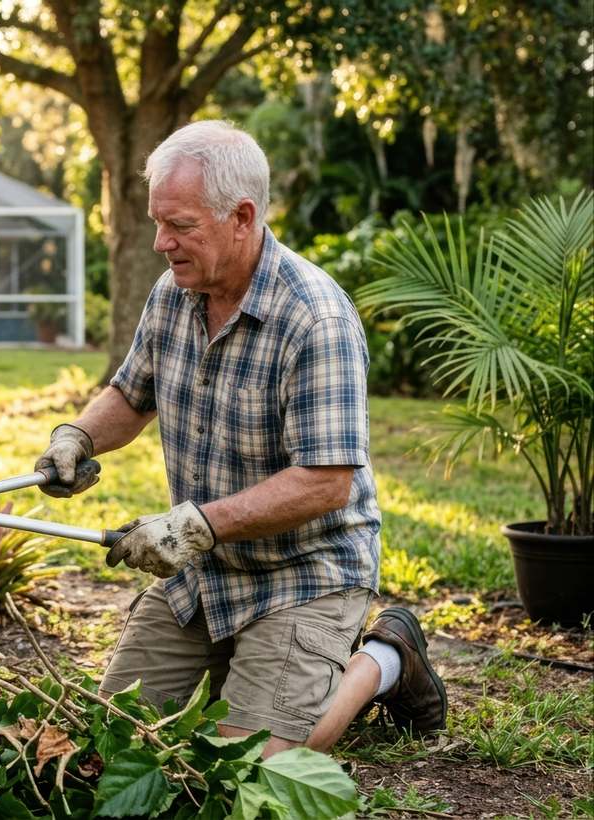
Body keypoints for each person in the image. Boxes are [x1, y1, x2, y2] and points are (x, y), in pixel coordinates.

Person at [36, 120, 445, 756]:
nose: (159, 241)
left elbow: (325, 483)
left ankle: (385, 658)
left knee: (248, 765)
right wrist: (76, 436)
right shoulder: (174, 293)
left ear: (242, 216)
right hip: (203, 574)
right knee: (108, 740)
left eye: (180, 225)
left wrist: (190, 528)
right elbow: (130, 395)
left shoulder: (315, 318)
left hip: (306, 572)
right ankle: (258, 673)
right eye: (157, 221)